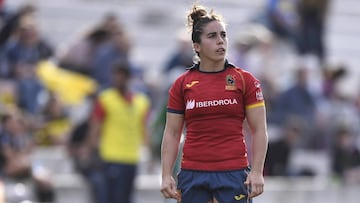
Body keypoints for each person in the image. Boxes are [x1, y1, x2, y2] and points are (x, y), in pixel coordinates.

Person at [160, 4, 269, 203]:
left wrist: (257, 172)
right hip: (193, 175)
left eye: (223, 35)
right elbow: (172, 133)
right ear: (197, 46)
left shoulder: (245, 80)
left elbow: (259, 129)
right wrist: (166, 174)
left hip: (234, 174)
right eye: (212, 36)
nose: (221, 41)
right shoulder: (181, 84)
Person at [85, 61, 151, 203]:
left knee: (125, 198)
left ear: (128, 78)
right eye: (115, 76)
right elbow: (95, 127)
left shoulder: (142, 102)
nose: (117, 80)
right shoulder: (105, 99)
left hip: (132, 158)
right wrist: (91, 152)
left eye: (121, 76)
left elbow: (144, 129)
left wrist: (149, 155)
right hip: (111, 157)